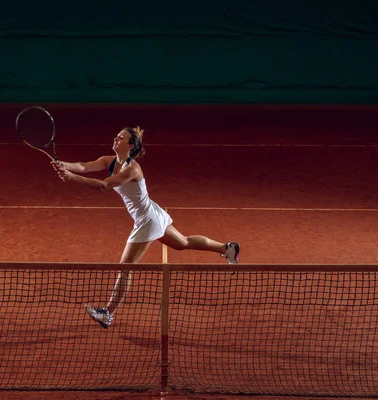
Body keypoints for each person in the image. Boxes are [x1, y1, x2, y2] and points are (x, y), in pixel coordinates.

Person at [51, 126, 240, 328]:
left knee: (125, 267)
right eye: (116, 135)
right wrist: (65, 165)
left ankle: (107, 312)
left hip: (147, 221)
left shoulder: (132, 169)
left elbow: (103, 185)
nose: (115, 138)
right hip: (152, 213)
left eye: (121, 137)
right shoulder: (109, 160)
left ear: (130, 146)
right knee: (182, 242)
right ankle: (227, 248)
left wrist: (71, 178)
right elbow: (83, 166)